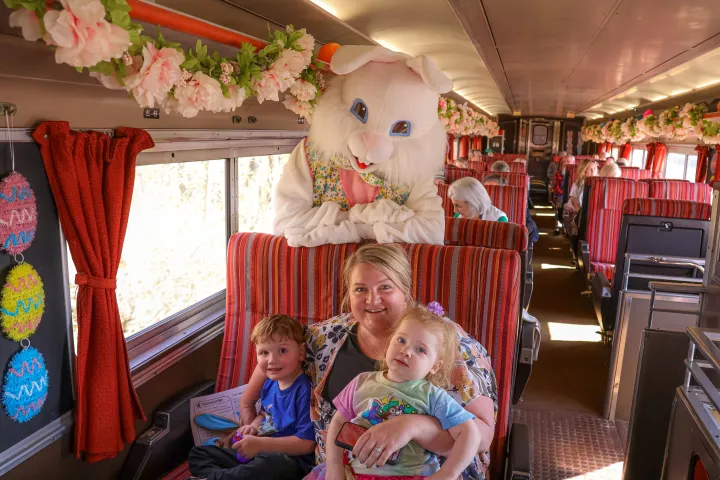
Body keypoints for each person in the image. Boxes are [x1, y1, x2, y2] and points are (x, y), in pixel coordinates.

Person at [239, 244, 497, 480]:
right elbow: (278, 351)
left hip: (429, 471)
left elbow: (483, 437)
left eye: (385, 287)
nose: (372, 300)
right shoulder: (327, 337)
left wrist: (413, 426)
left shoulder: (448, 344)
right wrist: (247, 403)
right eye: (360, 289)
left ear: (405, 292)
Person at [313, 306, 480, 479]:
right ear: (389, 342)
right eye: (401, 340)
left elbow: (470, 433)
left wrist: (448, 473)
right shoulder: (361, 382)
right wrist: (334, 467)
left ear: (435, 366)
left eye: (420, 350)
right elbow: (338, 423)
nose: (406, 351)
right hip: (356, 473)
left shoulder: (432, 395)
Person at [188, 315, 316, 480]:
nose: (272, 360)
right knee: (198, 453)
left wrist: (261, 444)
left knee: (272, 464)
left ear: (301, 352)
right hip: (258, 450)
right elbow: (265, 414)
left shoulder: (305, 390)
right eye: (264, 352)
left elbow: (306, 444)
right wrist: (253, 427)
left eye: (282, 350)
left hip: (287, 459)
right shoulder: (270, 382)